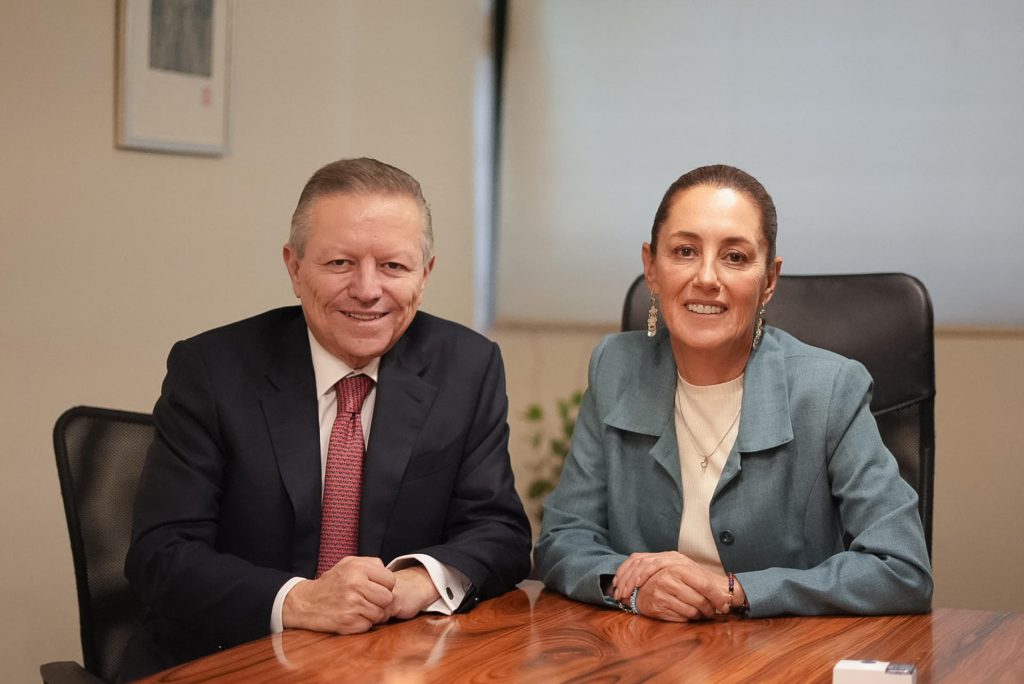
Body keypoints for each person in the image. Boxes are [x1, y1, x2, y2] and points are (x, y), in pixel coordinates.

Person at [122, 157, 532, 679]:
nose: (367, 289)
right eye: (340, 263)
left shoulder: (467, 367)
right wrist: (300, 601)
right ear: (294, 268)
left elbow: (499, 532)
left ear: (424, 276)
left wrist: (415, 583)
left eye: (394, 266)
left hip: (390, 664)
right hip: (228, 660)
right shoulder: (212, 369)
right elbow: (161, 554)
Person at [534, 164, 932, 621]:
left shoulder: (830, 390)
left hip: (787, 658)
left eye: (736, 258)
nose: (706, 277)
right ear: (651, 267)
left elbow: (900, 568)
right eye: (684, 251)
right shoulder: (615, 368)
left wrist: (735, 590)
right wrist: (634, 586)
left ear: (769, 281)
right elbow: (563, 538)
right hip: (646, 653)